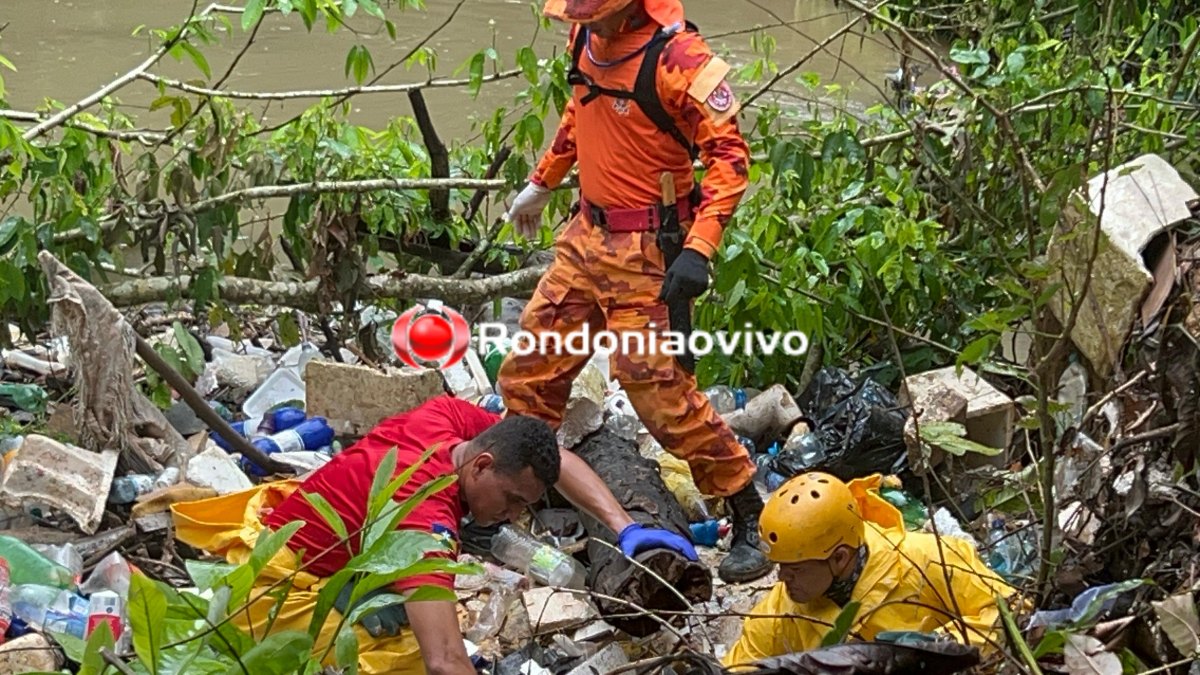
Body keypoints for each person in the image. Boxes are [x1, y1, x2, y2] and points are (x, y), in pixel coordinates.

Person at [498, 0, 770, 584]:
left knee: (660, 398)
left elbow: (729, 158)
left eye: (597, 16)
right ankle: (527, 490)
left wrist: (700, 248)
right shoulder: (585, 39)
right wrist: (542, 181)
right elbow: (580, 112)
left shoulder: (680, 59)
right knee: (529, 372)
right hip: (585, 235)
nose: (587, 24)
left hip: (649, 249)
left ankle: (749, 509)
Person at [172, 395, 695, 675]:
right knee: (405, 661)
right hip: (278, 578)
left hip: (299, 515)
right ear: (482, 465)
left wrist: (626, 527)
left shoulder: (446, 420)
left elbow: (556, 461)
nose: (513, 516)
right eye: (512, 501)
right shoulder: (427, 521)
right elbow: (445, 660)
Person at [722, 472, 1022, 666]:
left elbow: (1011, 609)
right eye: (780, 566)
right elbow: (740, 666)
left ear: (839, 558)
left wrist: (927, 651)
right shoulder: (782, 607)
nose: (782, 578)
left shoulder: (927, 559)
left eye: (794, 569)